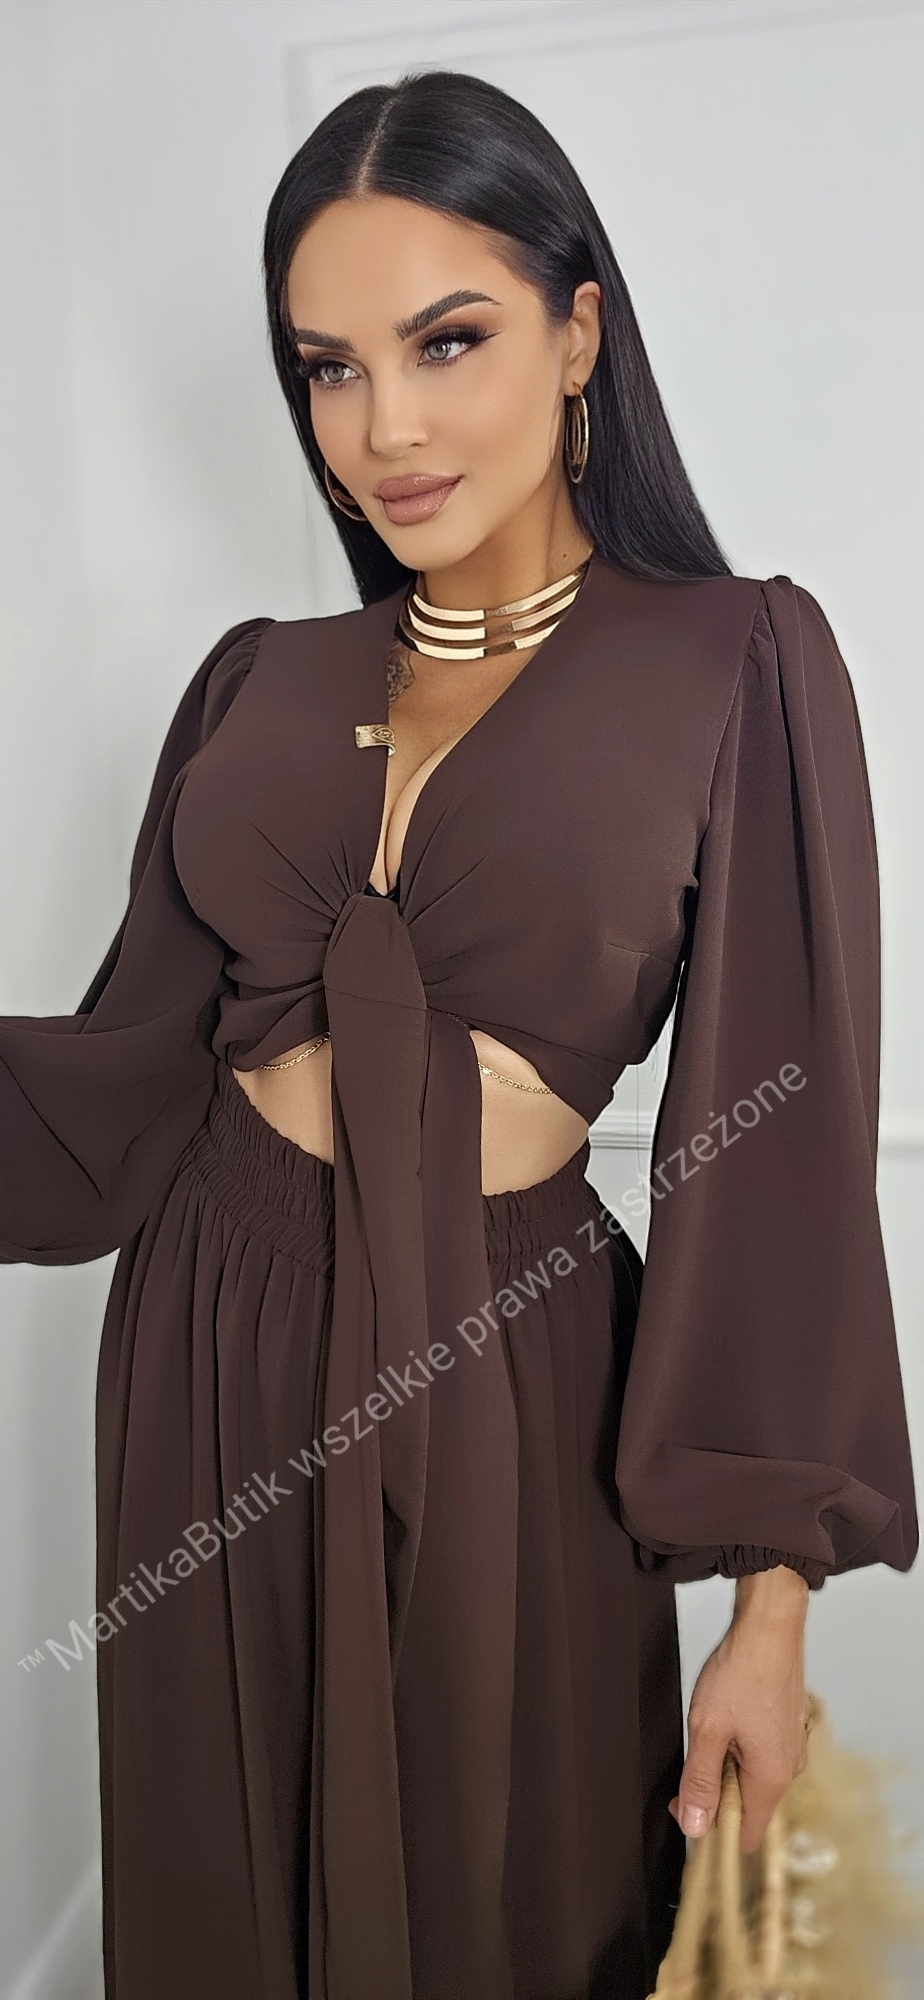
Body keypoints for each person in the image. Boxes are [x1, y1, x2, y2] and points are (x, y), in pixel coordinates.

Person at [1, 65, 917, 2000]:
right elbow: (119, 1085)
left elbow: (782, 1163)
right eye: (327, 368)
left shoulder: (737, 661)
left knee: (520, 1903)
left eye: (447, 341)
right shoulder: (255, 681)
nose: (384, 428)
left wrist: (769, 1616)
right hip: (208, 1345)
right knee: (222, 1888)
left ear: (579, 333)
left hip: (512, 1366)